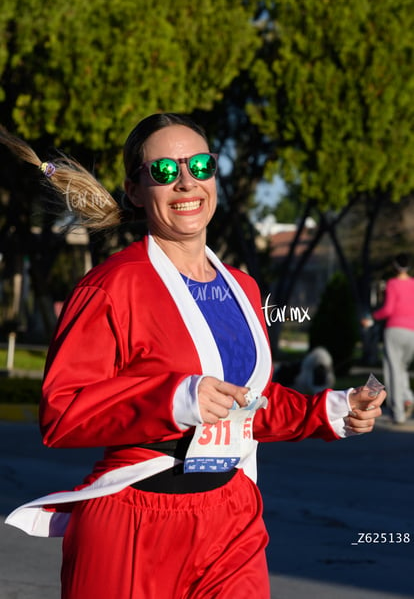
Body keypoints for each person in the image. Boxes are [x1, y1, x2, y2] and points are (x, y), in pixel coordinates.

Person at [2, 114, 386, 599]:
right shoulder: (110, 287)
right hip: (134, 523)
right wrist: (175, 399)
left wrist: (329, 409)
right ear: (135, 190)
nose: (186, 181)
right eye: (163, 170)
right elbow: (62, 413)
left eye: (200, 165)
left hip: (232, 522)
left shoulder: (243, 287)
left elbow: (247, 402)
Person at [363, 253, 414, 425]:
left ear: (394, 265)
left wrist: (372, 317)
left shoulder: (392, 284)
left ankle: (398, 413)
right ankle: (408, 398)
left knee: (393, 371)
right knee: (402, 368)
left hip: (394, 330)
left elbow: (388, 310)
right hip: (412, 332)